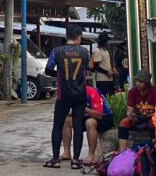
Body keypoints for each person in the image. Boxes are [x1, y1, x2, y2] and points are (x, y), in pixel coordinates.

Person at [43, 25, 90, 170]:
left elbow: (48, 69)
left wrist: (59, 75)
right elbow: (86, 68)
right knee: (77, 126)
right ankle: (75, 160)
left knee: (57, 125)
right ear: (78, 38)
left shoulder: (56, 51)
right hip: (80, 94)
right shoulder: (84, 52)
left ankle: (56, 159)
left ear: (66, 36)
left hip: (63, 95)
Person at [61, 85, 114, 165]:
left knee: (90, 122)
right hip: (87, 115)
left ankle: (91, 156)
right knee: (67, 121)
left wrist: (83, 108)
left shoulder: (92, 92)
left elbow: (99, 115)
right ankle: (67, 152)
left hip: (105, 117)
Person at [118, 70, 156, 151]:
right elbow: (129, 109)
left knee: (153, 122)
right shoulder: (132, 92)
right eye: (137, 81)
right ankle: (122, 152)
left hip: (152, 118)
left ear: (147, 83)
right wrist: (129, 115)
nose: (138, 83)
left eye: (141, 82)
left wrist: (150, 115)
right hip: (137, 118)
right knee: (124, 122)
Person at [90, 32, 116, 96]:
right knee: (104, 98)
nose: (108, 42)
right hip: (102, 80)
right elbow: (96, 67)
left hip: (109, 78)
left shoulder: (106, 50)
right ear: (104, 42)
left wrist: (113, 69)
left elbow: (107, 63)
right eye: (107, 41)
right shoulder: (98, 50)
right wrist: (106, 72)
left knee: (111, 98)